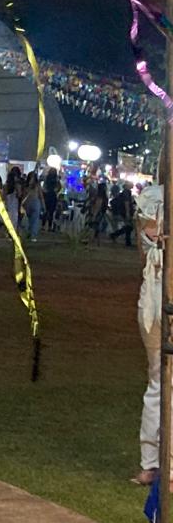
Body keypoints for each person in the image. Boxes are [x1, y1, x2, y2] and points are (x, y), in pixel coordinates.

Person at [134, 178, 164, 486]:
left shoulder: (150, 197)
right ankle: (160, 464)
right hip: (158, 302)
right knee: (161, 383)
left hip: (151, 301)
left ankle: (151, 462)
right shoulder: (156, 198)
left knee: (157, 384)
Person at [110, 182, 135, 247]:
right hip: (125, 211)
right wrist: (127, 212)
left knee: (128, 226)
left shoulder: (125, 192)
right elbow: (126, 202)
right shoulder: (126, 192)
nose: (132, 185)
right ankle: (116, 235)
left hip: (123, 211)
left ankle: (126, 240)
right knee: (129, 226)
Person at [22, 172, 44, 241]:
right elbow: (41, 196)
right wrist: (43, 206)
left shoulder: (25, 186)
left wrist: (22, 204)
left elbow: (23, 196)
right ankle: (33, 235)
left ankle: (29, 232)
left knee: (28, 219)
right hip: (35, 202)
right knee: (35, 220)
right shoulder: (37, 186)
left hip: (27, 203)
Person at [43, 167, 61, 231]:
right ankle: (47, 226)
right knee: (48, 212)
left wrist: (55, 190)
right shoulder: (53, 178)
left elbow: (59, 186)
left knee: (49, 212)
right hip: (50, 195)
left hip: (50, 195)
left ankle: (47, 226)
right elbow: (59, 186)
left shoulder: (53, 178)